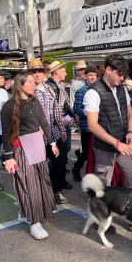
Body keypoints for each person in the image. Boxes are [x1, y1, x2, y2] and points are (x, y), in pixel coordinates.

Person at [0, 72, 59, 240]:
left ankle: (35, 211)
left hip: (37, 145)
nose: (35, 84)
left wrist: (53, 143)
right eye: (31, 82)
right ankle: (34, 221)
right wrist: (9, 157)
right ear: (21, 85)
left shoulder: (35, 101)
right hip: (20, 148)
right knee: (28, 183)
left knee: (42, 181)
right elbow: (6, 134)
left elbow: (44, 123)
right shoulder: (9, 106)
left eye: (35, 81)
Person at [83, 53, 132, 188]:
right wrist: (116, 143)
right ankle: (100, 208)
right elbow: (92, 125)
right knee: (102, 186)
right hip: (104, 147)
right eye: (119, 74)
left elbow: (130, 114)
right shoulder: (93, 92)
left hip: (123, 143)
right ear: (108, 70)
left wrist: (130, 133)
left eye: (123, 75)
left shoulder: (122, 89)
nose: (121, 78)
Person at [31, 59, 69, 204]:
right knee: (39, 167)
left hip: (53, 133)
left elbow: (56, 110)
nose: (37, 74)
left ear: (43, 73)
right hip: (36, 137)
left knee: (58, 164)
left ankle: (57, 191)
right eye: (33, 71)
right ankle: (41, 194)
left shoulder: (48, 88)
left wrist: (61, 127)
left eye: (39, 71)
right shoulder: (28, 90)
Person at [46, 60, 74, 190]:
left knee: (64, 154)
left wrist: (69, 118)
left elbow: (67, 108)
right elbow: (53, 109)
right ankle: (56, 184)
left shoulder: (60, 86)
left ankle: (61, 180)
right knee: (58, 156)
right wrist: (64, 119)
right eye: (64, 70)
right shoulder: (49, 87)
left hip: (63, 123)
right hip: (55, 126)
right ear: (56, 72)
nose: (66, 72)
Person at [72, 65, 98, 182]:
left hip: (98, 127)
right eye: (90, 75)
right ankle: (76, 168)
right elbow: (76, 109)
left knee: (96, 151)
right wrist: (90, 113)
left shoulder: (99, 89)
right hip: (86, 126)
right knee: (87, 152)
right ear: (86, 76)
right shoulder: (81, 91)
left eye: (94, 75)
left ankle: (93, 172)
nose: (92, 77)